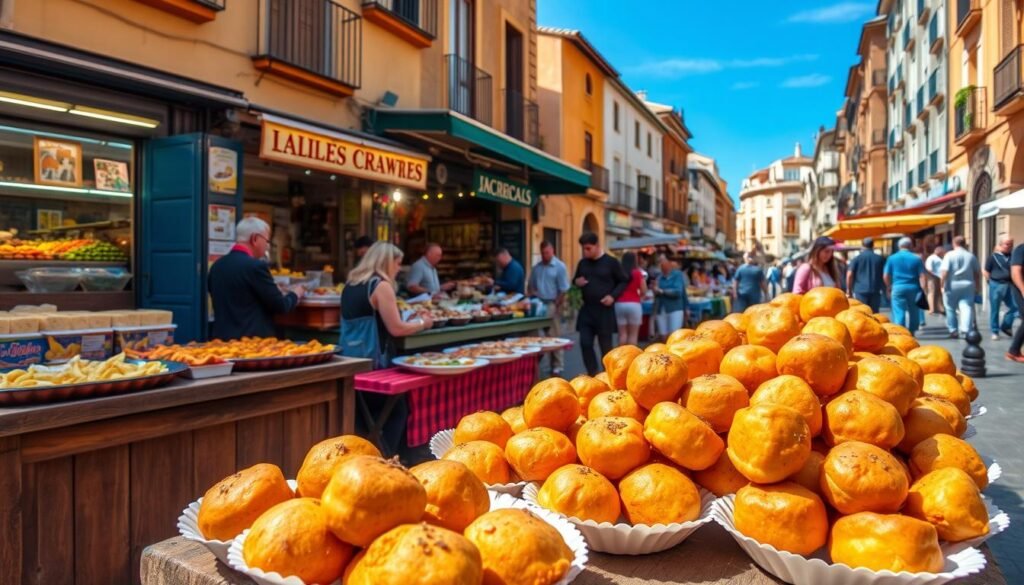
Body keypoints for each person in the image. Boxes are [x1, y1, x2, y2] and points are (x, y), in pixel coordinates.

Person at [340, 242, 434, 455]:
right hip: (377, 365)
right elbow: (397, 328)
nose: (399, 268)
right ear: (385, 261)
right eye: (398, 263)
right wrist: (423, 324)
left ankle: (366, 458)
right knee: (397, 412)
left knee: (364, 418)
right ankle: (385, 459)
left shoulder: (350, 285)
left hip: (351, 363)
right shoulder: (381, 286)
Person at [209, 217, 305, 340]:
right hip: (252, 346)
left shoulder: (217, 266)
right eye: (266, 241)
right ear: (255, 238)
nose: (267, 246)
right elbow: (281, 306)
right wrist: (296, 293)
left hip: (221, 343)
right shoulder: (256, 267)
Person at [573, 233, 628, 376]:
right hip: (587, 310)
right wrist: (577, 282)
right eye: (583, 249)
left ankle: (609, 376)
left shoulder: (611, 262)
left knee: (606, 348)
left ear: (597, 246)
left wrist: (613, 296)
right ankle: (593, 373)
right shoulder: (583, 263)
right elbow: (576, 280)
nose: (585, 252)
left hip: (604, 310)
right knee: (585, 343)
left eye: (588, 249)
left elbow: (623, 280)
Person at [528, 240, 570, 375]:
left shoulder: (559, 266)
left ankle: (557, 365)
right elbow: (531, 286)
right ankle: (536, 363)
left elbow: (563, 289)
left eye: (547, 252)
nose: (545, 255)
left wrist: (558, 305)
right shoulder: (537, 268)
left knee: (554, 335)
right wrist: (532, 294)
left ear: (552, 251)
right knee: (535, 335)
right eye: (543, 253)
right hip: (538, 303)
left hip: (552, 302)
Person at [940, 236, 982, 339]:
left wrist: (941, 284)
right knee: (966, 307)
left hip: (952, 284)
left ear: (954, 243)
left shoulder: (949, 255)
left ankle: (953, 330)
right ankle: (965, 329)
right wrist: (978, 285)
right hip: (968, 284)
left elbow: (944, 272)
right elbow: (977, 272)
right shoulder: (970, 256)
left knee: (950, 308)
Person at [883, 237, 926, 334]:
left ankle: (900, 332)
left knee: (899, 311)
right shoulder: (916, 258)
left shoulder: (892, 258)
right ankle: (912, 330)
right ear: (910, 245)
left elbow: (886, 275)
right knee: (914, 311)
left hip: (898, 287)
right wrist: (923, 288)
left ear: (899, 246)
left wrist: (889, 286)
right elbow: (922, 275)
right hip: (913, 287)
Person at [984, 234, 1017, 340]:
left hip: (1009, 285)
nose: (1009, 246)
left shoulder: (1013, 256)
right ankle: (994, 331)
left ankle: (1006, 326)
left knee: (1016, 307)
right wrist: (989, 281)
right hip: (996, 284)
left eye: (1011, 244)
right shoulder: (993, 257)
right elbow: (985, 270)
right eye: (1007, 244)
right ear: (1001, 244)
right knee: (995, 309)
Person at [615, 252, 648, 346]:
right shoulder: (638, 273)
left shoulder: (619, 272)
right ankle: (631, 357)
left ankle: (621, 356)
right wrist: (640, 297)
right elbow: (644, 290)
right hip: (634, 303)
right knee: (633, 335)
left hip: (619, 304)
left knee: (622, 334)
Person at [846, 237, 887, 312]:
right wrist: (886, 288)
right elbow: (885, 274)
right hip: (875, 289)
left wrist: (849, 290)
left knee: (862, 312)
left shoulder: (857, 259)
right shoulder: (880, 259)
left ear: (862, 245)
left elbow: (849, 274)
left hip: (860, 290)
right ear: (873, 245)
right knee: (874, 314)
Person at [652, 255, 687, 339]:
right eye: (660, 262)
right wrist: (654, 289)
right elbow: (656, 292)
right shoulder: (659, 277)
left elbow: (678, 292)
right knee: (663, 335)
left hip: (675, 308)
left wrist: (661, 291)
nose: (661, 264)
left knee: (674, 335)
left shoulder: (677, 275)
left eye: (663, 261)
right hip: (661, 308)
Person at [1006, 240, 1024, 363]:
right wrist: (1023, 290)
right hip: (1020, 288)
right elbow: (1015, 271)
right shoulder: (1021, 249)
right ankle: (1013, 351)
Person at [925, 246, 946, 315]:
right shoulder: (931, 258)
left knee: (939, 292)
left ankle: (939, 307)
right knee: (932, 292)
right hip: (932, 277)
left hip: (939, 277)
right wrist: (935, 275)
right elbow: (928, 268)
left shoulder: (939, 258)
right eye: (942, 252)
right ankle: (931, 308)